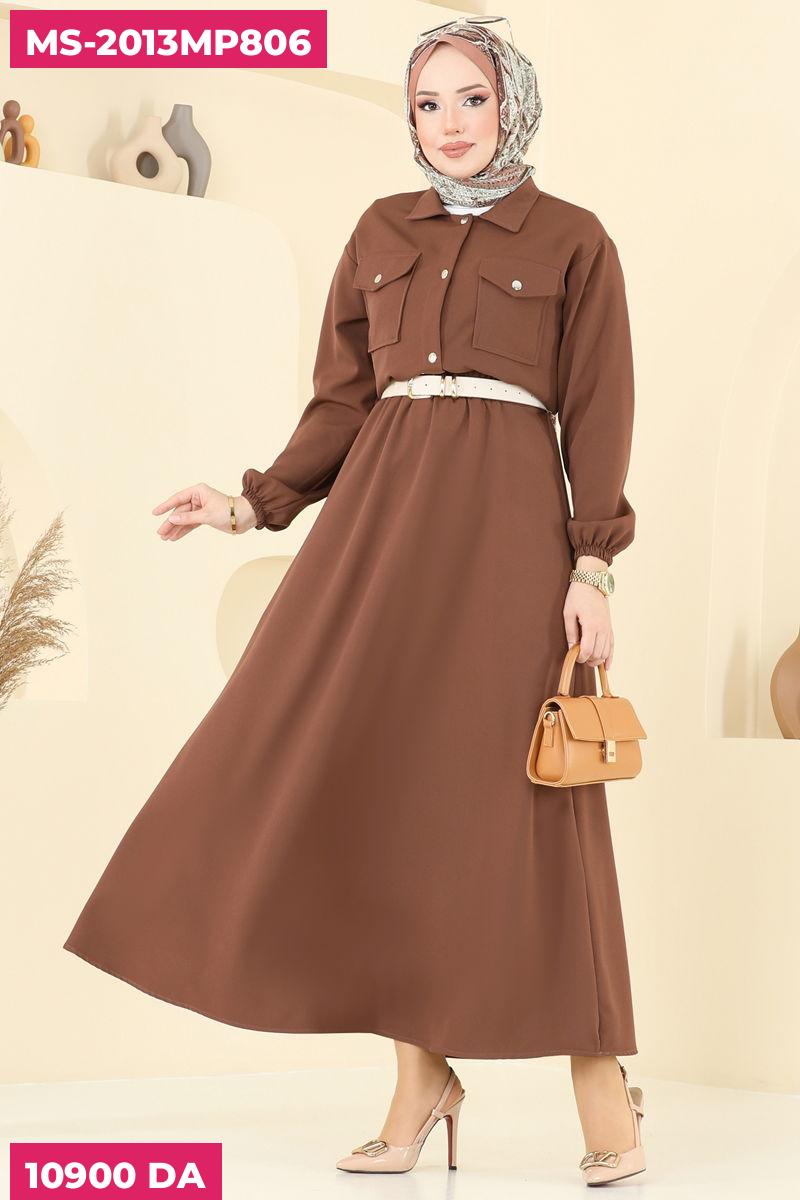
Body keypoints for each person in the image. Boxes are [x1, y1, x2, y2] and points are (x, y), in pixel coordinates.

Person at [63, 15, 645, 1186]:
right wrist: (251, 502)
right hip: (378, 532)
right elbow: (342, 401)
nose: (448, 124)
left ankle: (602, 1090)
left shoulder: (573, 239)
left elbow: (599, 407)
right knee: (377, 786)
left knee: (525, 797)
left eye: (471, 99)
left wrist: (590, 564)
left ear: (512, 105)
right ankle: (418, 1082)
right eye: (427, 103)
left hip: (506, 537)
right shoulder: (381, 230)